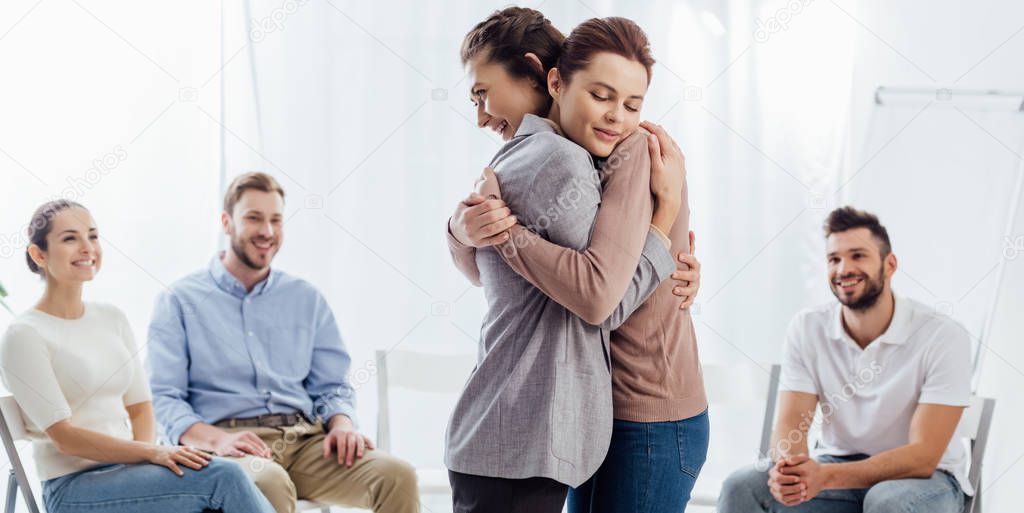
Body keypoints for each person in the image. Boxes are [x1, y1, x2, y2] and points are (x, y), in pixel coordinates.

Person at [447, 8, 708, 513]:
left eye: (632, 103)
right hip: (595, 409)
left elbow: (598, 300)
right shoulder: (560, 154)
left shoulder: (627, 152)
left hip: (648, 410)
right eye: (601, 95)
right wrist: (462, 226)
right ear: (558, 82)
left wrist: (507, 235)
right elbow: (495, 279)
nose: (616, 114)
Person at [146, 173, 419, 513]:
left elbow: (332, 385)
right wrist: (218, 440)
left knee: (397, 476)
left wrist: (342, 423)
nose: (267, 232)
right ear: (226, 222)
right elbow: (165, 399)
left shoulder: (306, 299)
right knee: (268, 484)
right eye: (254, 218)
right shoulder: (179, 300)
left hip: (307, 441)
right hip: (231, 445)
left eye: (276, 220)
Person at [0, 200, 274, 513]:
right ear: (39, 254)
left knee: (231, 480)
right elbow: (65, 439)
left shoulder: (111, 318)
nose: (87, 247)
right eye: (70, 238)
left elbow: (141, 408)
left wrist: (145, 462)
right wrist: (150, 454)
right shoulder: (24, 334)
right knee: (224, 478)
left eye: (93, 235)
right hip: (73, 488)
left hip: (129, 472)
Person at [718, 206, 972, 513]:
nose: (843, 269)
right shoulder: (808, 328)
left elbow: (923, 457)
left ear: (889, 264)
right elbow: (791, 421)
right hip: (837, 467)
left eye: (858, 255)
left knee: (887, 502)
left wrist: (825, 477)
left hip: (928, 480)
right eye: (834, 259)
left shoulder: (942, 335)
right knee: (742, 487)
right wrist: (791, 470)